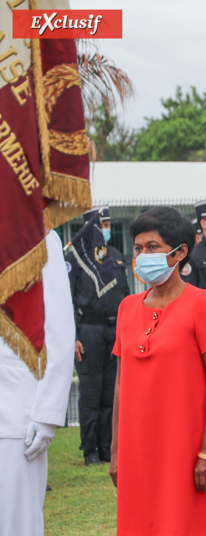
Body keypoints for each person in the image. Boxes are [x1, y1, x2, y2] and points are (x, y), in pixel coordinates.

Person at [110, 207, 206, 536]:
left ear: (179, 252)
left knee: (187, 523)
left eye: (152, 247)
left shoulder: (201, 303)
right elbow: (121, 384)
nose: (142, 256)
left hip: (185, 445)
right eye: (138, 249)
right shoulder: (126, 308)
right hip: (138, 447)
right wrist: (116, 451)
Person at [0, 231, 74, 536]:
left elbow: (59, 328)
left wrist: (47, 412)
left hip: (14, 408)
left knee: (16, 522)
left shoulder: (37, 233)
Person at [66, 206, 129, 465]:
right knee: (91, 393)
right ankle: (90, 450)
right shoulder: (73, 256)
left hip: (114, 330)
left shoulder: (114, 255)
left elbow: (125, 294)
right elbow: (66, 299)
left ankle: (107, 446)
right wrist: (73, 335)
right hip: (88, 330)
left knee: (110, 394)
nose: (106, 228)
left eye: (108, 223)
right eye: (101, 224)